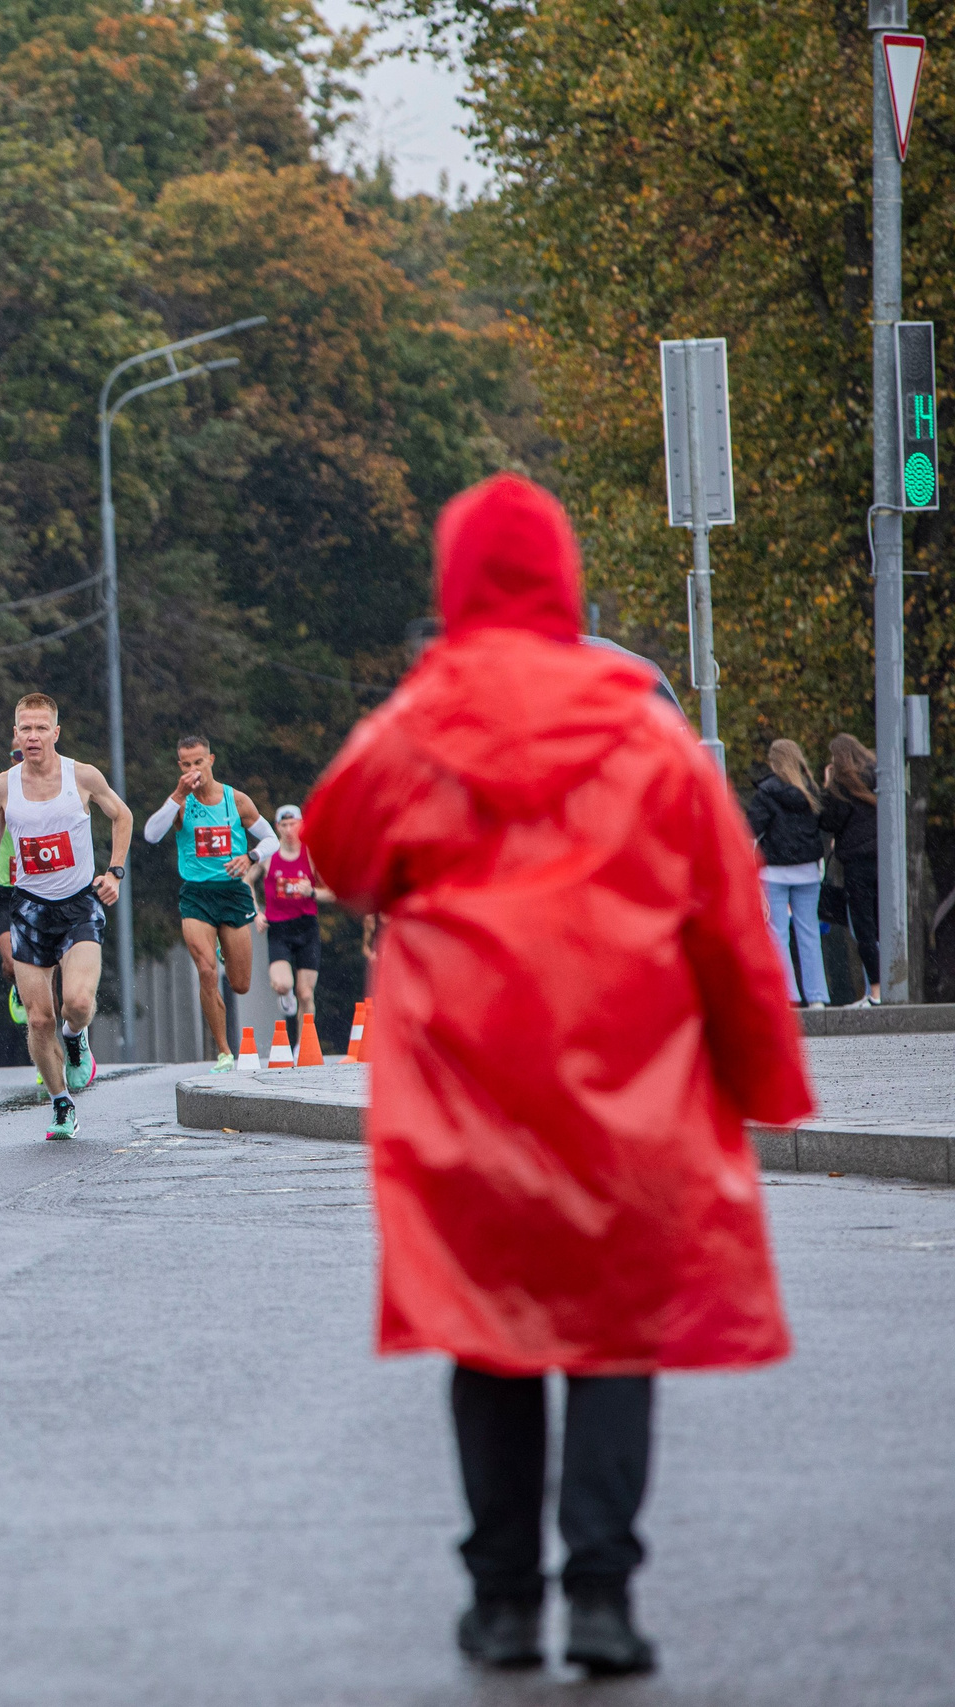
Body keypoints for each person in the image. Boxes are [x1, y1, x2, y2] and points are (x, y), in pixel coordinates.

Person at [306, 472, 811, 1677]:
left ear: (456, 586)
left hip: (465, 1085)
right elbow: (728, 924)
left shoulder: (418, 726)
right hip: (627, 1081)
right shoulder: (645, 731)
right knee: (611, 1331)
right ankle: (599, 1594)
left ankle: (499, 1602)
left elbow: (334, 849)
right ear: (564, 580)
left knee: (489, 1331)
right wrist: (763, 1082)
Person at [0, 693, 131, 1140]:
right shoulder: (2, 786)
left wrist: (114, 871)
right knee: (39, 1018)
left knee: (76, 1003)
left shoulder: (83, 776)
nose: (33, 736)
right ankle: (61, 1103)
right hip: (28, 909)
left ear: (56, 733)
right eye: (25, 728)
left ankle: (76, 1038)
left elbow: (122, 815)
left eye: (41, 728)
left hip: (79, 905)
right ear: (15, 734)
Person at [142, 735, 278, 1069]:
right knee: (205, 970)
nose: (192, 770)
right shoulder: (182, 804)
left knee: (241, 985)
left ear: (211, 760)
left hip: (232, 893)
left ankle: (223, 946)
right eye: (186, 764)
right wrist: (176, 796)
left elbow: (272, 838)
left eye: (198, 762)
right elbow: (150, 834)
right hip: (196, 895)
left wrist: (251, 856)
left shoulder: (236, 800)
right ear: (179, 767)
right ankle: (223, 1051)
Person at [745, 739, 829, 1008]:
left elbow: (750, 829)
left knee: (777, 935)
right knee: (809, 933)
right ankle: (817, 996)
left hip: (774, 873)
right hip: (807, 871)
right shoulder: (811, 789)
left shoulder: (766, 793)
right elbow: (825, 822)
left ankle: (787, 995)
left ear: (773, 762)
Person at [260, 803, 334, 1047]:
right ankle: (285, 995)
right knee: (283, 985)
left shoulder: (311, 855)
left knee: (306, 993)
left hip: (306, 927)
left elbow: (333, 892)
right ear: (277, 827)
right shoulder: (268, 856)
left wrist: (311, 891)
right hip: (279, 928)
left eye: (293, 824)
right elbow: (243, 881)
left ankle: (304, 1046)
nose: (289, 829)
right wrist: (254, 913)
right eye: (284, 825)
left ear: (301, 825)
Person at [819, 734, 881, 1005]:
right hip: (884, 862)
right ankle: (886, 990)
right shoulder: (879, 776)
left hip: (857, 865)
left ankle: (876, 992)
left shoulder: (841, 786)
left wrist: (826, 785)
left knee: (864, 928)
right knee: (883, 926)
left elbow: (829, 821)